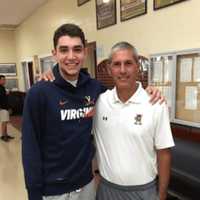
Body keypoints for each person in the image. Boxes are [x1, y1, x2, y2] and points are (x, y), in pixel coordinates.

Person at [22, 23, 164, 200]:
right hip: (52, 191)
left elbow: (123, 89)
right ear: (54, 53)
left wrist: (148, 90)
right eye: (64, 50)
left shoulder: (95, 89)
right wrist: (33, 193)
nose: (71, 56)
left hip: (87, 185)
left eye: (77, 49)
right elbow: (29, 148)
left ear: (85, 52)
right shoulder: (39, 93)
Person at [92, 42, 175, 200]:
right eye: (117, 64)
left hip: (144, 192)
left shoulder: (155, 104)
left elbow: (164, 153)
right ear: (110, 69)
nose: (122, 70)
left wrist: (162, 195)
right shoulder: (100, 101)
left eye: (128, 63)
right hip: (106, 190)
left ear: (138, 66)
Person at [0, 75, 14, 142]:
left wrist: (6, 94)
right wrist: (7, 108)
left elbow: (3, 97)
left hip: (4, 107)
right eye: (3, 79)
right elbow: (2, 99)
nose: (4, 81)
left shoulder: (2, 87)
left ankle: (6, 134)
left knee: (5, 121)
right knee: (4, 122)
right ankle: (3, 136)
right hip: (3, 108)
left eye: (4, 79)